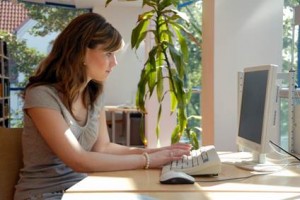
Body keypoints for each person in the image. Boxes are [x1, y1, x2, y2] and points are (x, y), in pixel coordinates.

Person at [14, 12, 191, 200]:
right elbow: (78, 159)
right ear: (81, 51)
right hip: (45, 194)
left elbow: (104, 148)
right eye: (108, 54)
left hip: (82, 189)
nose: (114, 63)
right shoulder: (42, 95)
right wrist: (148, 160)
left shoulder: (94, 94)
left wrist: (158, 152)